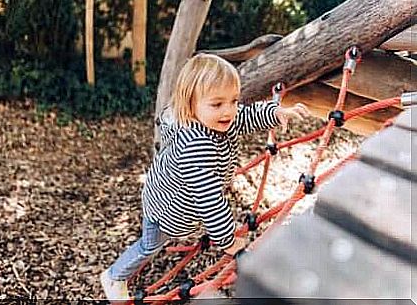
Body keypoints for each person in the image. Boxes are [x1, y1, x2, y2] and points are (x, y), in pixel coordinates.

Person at [100, 53, 310, 301]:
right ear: (190, 104)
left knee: (162, 239)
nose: (229, 110)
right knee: (149, 245)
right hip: (165, 208)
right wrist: (226, 239)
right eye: (218, 104)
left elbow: (245, 115)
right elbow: (208, 198)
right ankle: (114, 276)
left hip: (174, 197)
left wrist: (274, 112)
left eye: (233, 100)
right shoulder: (195, 146)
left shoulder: (217, 118)